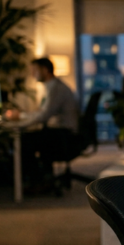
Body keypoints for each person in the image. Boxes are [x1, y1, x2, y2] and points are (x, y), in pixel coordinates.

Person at [14, 57, 80, 189]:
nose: (32, 75)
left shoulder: (57, 89)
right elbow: (42, 112)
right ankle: (41, 178)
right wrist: (22, 116)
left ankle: (37, 182)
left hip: (64, 135)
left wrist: (20, 121)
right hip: (59, 133)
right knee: (30, 138)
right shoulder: (51, 88)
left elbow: (44, 115)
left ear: (45, 70)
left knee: (24, 141)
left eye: (34, 70)